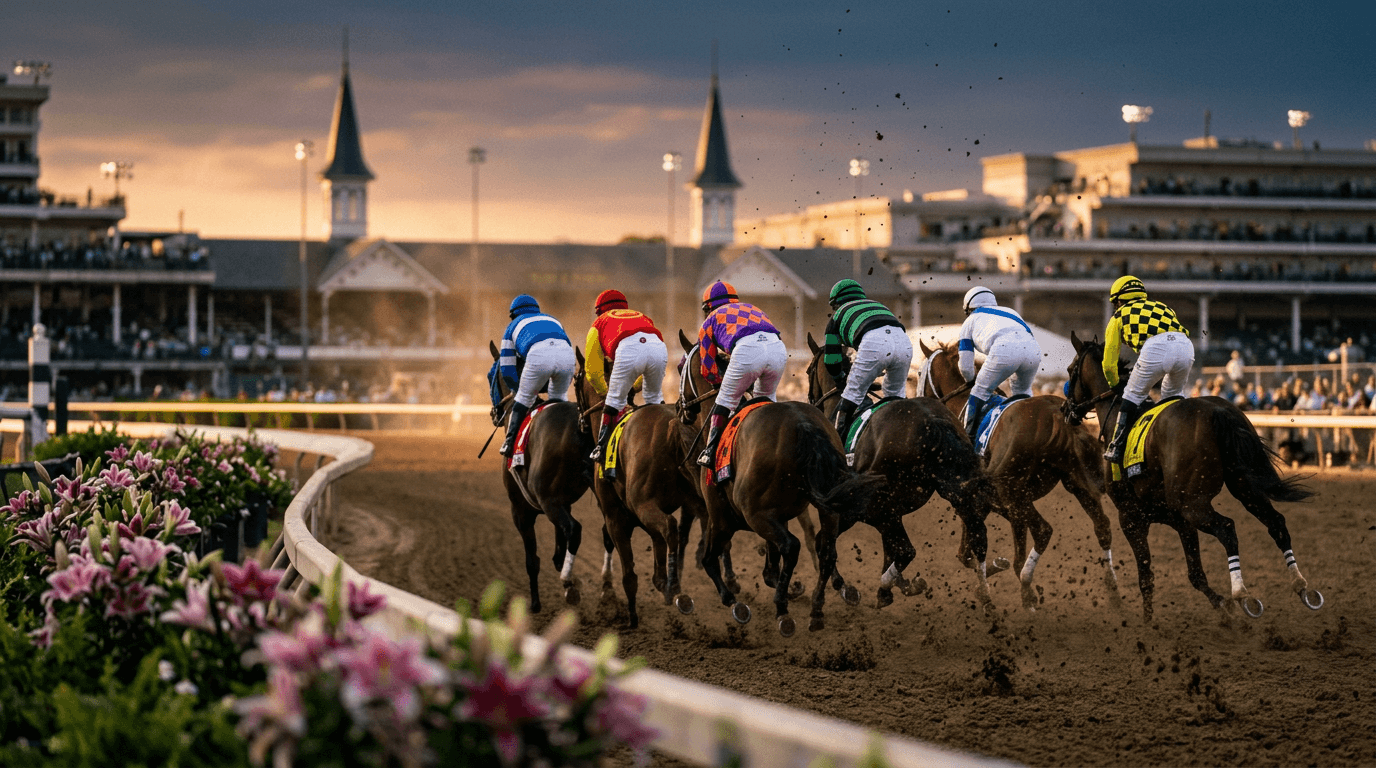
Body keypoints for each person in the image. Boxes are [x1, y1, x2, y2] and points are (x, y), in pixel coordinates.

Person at [695, 281, 789, 466]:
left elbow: (707, 369)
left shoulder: (709, 320)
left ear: (708, 307)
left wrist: (721, 383)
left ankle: (710, 451)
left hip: (747, 349)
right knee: (765, 402)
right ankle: (772, 444)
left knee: (724, 401)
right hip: (778, 349)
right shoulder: (753, 308)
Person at [1101, 275, 1193, 464]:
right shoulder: (1162, 306)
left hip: (1156, 348)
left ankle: (1116, 447)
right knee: (1172, 396)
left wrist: (1115, 385)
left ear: (1119, 300)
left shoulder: (1118, 316)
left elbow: (1108, 364)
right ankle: (1181, 441)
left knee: (1132, 395)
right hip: (1185, 345)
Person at [822, 279, 912, 438]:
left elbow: (832, 361)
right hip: (904, 342)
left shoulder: (837, 316)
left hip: (873, 343)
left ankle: (838, 445)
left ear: (836, 303)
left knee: (852, 395)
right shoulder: (878, 305)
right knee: (895, 398)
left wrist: (840, 378)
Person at [585, 289, 667, 462]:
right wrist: (634, 386)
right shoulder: (641, 315)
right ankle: (666, 438)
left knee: (614, 400)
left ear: (599, 310)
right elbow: (645, 359)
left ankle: (601, 448)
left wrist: (605, 392)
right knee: (654, 398)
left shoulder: (599, 322)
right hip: (659, 347)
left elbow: (592, 372)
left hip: (628, 349)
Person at [955, 285, 1042, 442]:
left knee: (979, 390)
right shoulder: (1011, 311)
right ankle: (1033, 434)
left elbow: (965, 367)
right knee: (1023, 394)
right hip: (1033, 350)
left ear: (969, 308)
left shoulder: (970, 321)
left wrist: (971, 381)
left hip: (1004, 349)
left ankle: (968, 440)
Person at [497, 294, 575, 457]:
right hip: (567, 355)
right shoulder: (553, 319)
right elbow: (565, 343)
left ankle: (509, 442)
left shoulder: (511, 327)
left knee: (524, 398)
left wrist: (516, 389)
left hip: (539, 354)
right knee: (559, 399)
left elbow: (507, 369)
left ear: (513, 314)